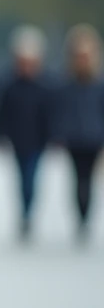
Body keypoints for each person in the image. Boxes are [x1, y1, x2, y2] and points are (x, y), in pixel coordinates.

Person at [0, 25, 52, 243]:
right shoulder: (9, 85)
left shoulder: (45, 86)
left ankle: (29, 212)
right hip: (18, 140)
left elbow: (50, 115)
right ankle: (24, 212)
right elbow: (0, 113)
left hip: (37, 141)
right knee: (21, 179)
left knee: (32, 178)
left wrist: (52, 136)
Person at [50, 24, 104, 245]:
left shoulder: (99, 85)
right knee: (77, 179)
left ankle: (86, 216)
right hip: (73, 138)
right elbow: (59, 112)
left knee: (88, 180)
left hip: (93, 138)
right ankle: (80, 216)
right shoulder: (66, 85)